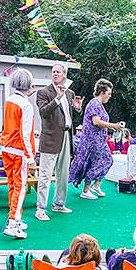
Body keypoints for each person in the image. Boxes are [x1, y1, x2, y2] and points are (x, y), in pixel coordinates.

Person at [34, 62, 81, 222]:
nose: (55, 74)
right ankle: (40, 208)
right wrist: (57, 98)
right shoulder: (43, 92)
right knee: (45, 175)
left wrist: (77, 109)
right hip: (50, 138)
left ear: (65, 75)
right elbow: (43, 113)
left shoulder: (70, 93)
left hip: (66, 136)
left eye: (58, 72)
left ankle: (59, 204)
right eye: (53, 71)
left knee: (63, 173)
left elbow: (69, 118)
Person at [70, 79, 125, 200]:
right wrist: (114, 126)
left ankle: (96, 185)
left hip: (99, 141)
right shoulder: (94, 104)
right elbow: (96, 121)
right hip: (92, 141)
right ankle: (86, 190)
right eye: (109, 93)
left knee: (105, 161)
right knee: (103, 162)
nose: (110, 96)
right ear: (102, 92)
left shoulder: (98, 105)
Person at [0, 69, 37, 239]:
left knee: (13, 186)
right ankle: (13, 222)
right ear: (28, 84)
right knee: (20, 187)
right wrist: (30, 158)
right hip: (19, 151)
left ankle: (15, 217)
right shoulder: (26, 105)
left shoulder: (9, 100)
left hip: (6, 148)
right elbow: (26, 134)